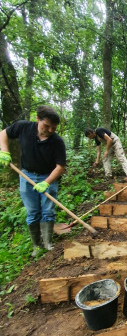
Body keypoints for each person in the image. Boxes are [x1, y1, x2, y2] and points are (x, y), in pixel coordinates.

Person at [0, 105, 66, 256]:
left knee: (48, 211)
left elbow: (60, 166)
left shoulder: (57, 141)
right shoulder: (23, 127)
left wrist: (46, 182)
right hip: (26, 176)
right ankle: (37, 245)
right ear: (37, 119)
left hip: (47, 176)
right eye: (47, 126)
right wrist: (4, 150)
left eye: (54, 128)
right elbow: (3, 133)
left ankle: (48, 244)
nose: (50, 130)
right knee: (32, 212)